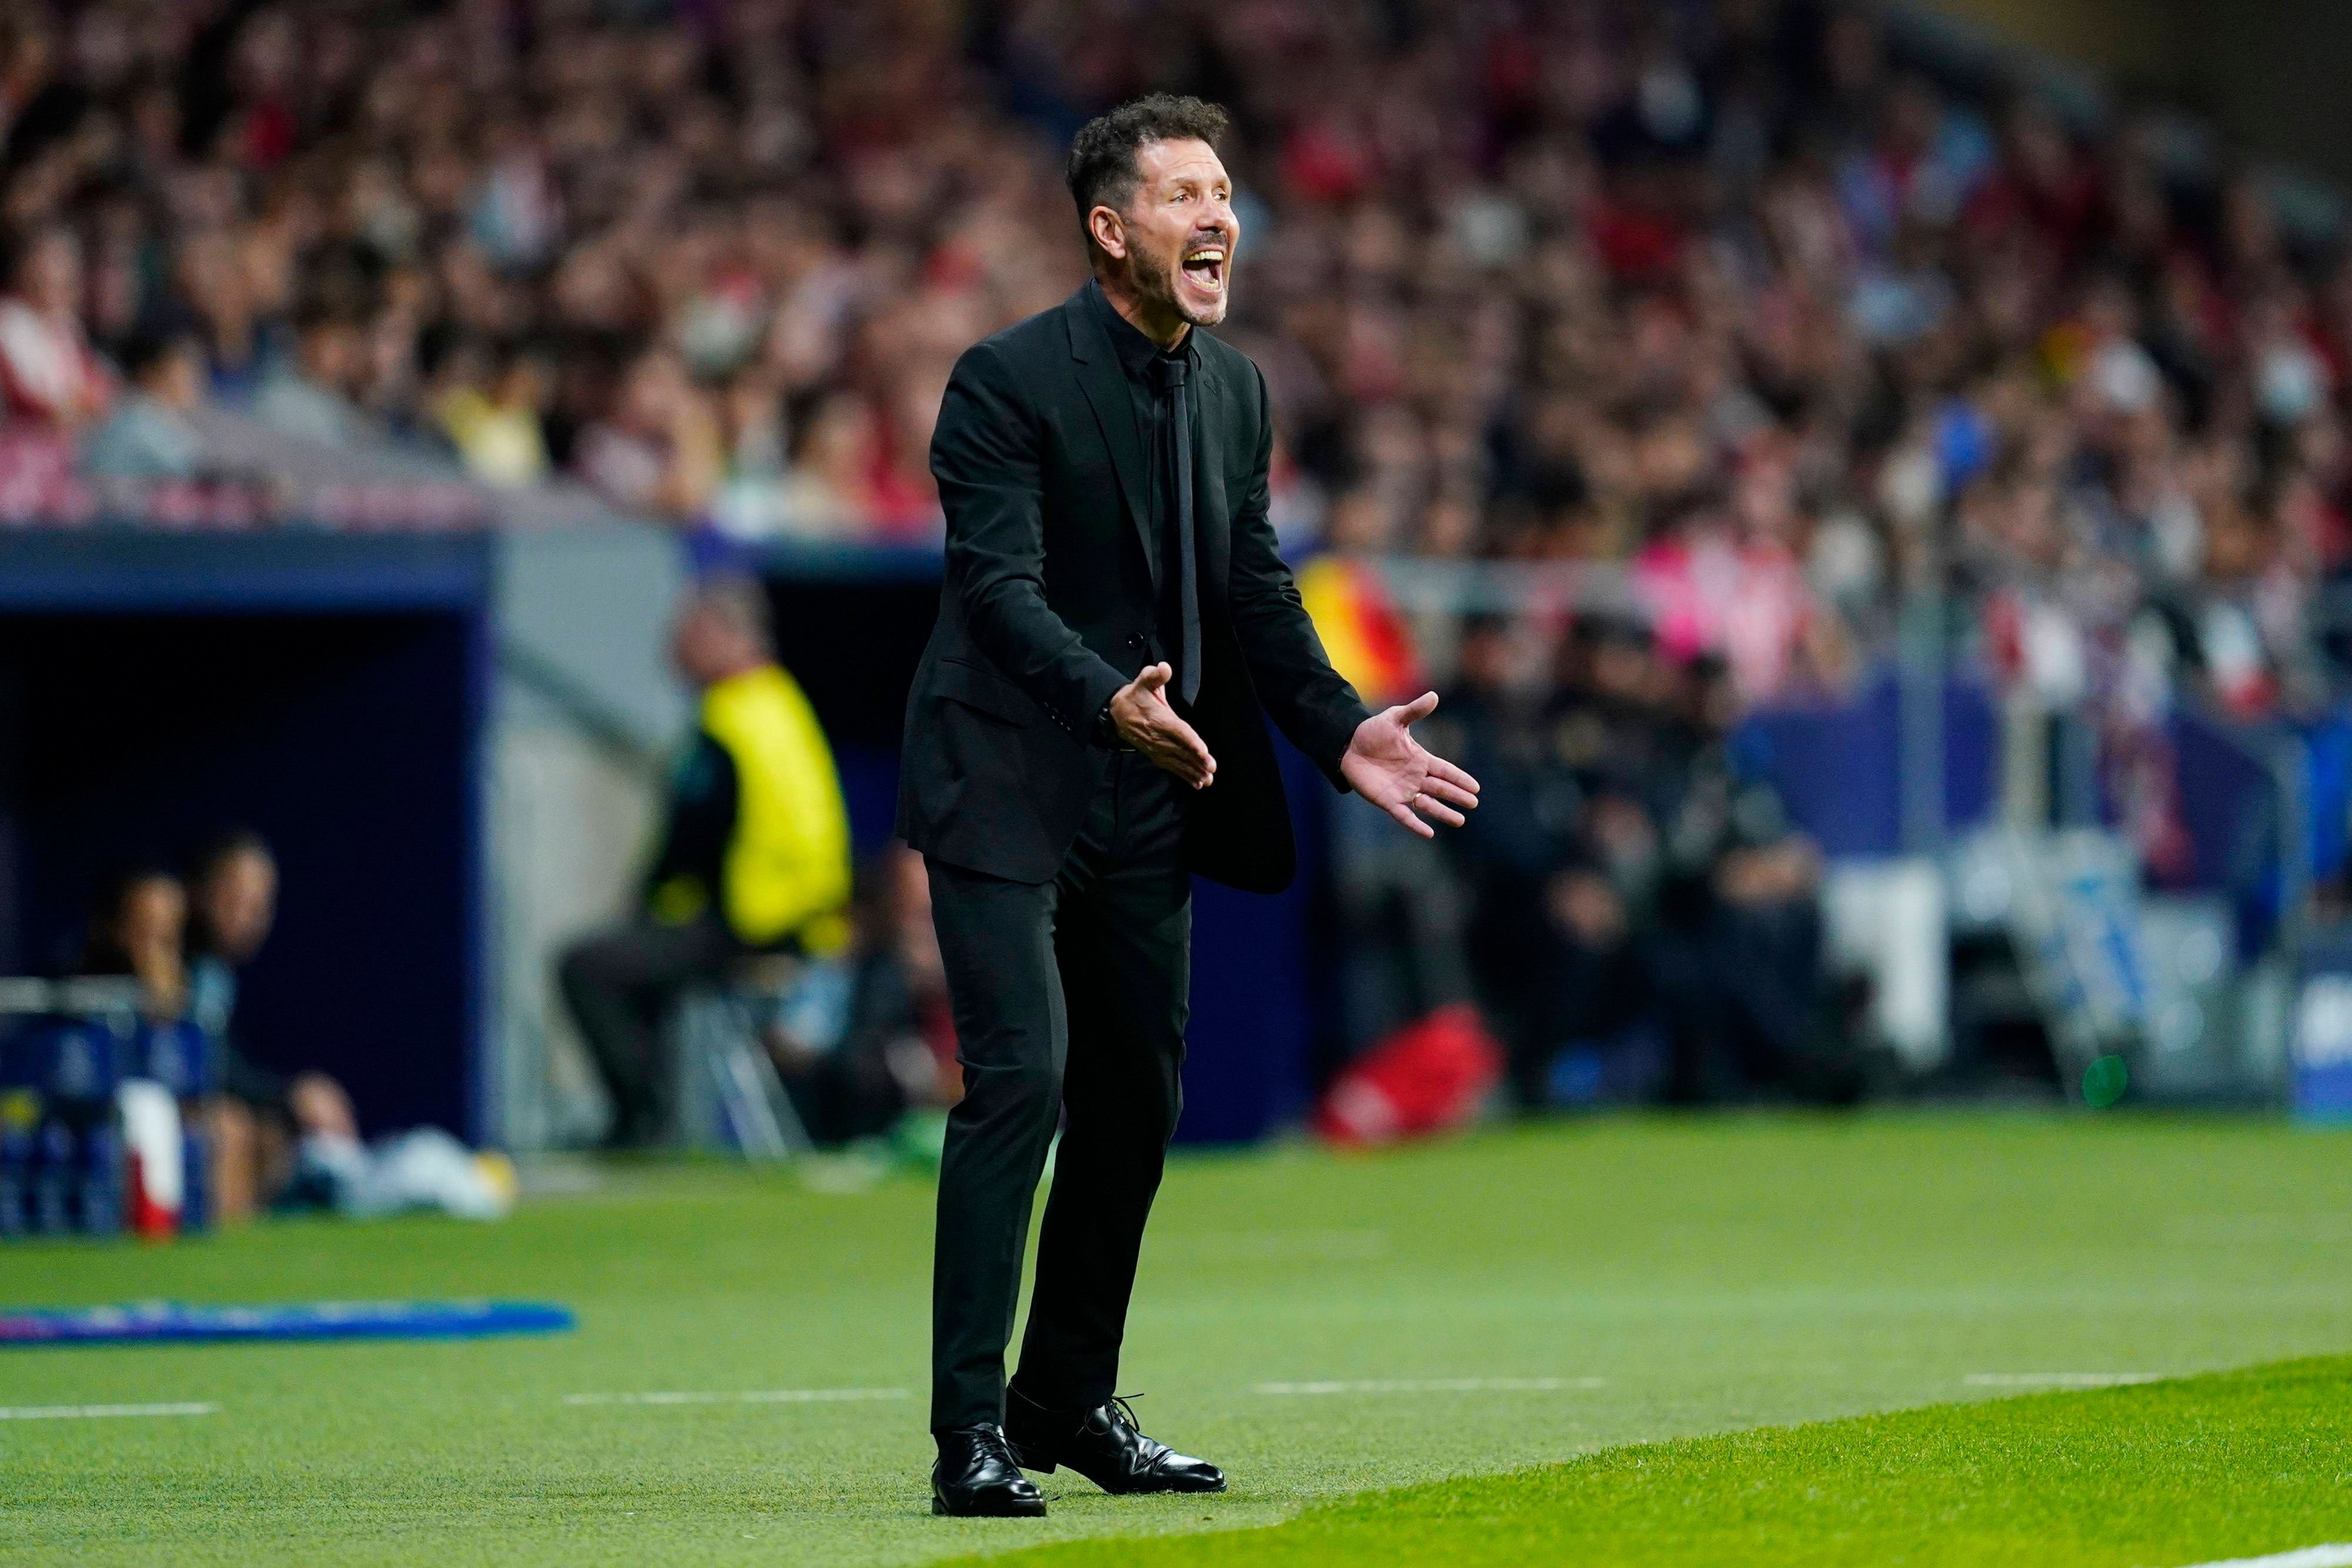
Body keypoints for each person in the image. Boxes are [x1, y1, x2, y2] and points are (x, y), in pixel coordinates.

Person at [899, 95, 1480, 1518]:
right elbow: (996, 589)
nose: (1217, 216)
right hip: (1007, 774)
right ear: (1111, 232)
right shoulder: (1003, 381)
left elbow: (1254, 588)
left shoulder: (1235, 390)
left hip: (1150, 787)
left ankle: (1062, 1400)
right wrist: (1107, 696)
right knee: (1021, 1079)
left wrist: (1339, 729)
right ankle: (968, 1432)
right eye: (1182, 196)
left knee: (1136, 1096)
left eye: (1222, 193)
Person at [559, 577, 853, 1149]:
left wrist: (650, 902)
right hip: (800, 920)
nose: (672, 649)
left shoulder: (730, 719)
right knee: (640, 958)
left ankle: (639, 1121)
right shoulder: (780, 704)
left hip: (753, 923)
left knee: (586, 967)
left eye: (688, 634)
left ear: (728, 636)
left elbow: (692, 836)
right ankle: (653, 1120)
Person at [183, 829, 359, 1221]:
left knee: (271, 1134)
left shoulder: (214, 972)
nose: (249, 916)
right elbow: (204, 1064)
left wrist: (289, 1097)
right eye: (235, 898)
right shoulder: (178, 964)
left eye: (260, 904)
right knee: (231, 1126)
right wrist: (290, 1094)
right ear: (199, 892)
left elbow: (224, 1055)